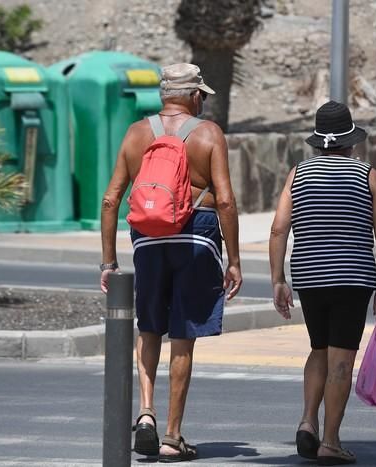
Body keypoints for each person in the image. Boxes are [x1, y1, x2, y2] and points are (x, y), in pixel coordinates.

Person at [100, 63, 242, 462]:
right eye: (203, 95)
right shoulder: (209, 133)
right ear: (194, 95)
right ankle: (172, 436)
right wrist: (233, 260)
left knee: (149, 327)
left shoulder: (135, 133)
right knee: (183, 333)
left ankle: (145, 413)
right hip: (197, 235)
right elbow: (226, 200)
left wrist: (107, 262)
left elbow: (111, 199)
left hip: (148, 241)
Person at [269, 101, 376, 465]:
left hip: (309, 276)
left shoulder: (299, 174)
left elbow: (279, 228)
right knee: (342, 358)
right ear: (350, 141)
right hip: (352, 279)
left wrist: (278, 279)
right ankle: (330, 441)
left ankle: (307, 421)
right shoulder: (365, 174)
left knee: (318, 348)